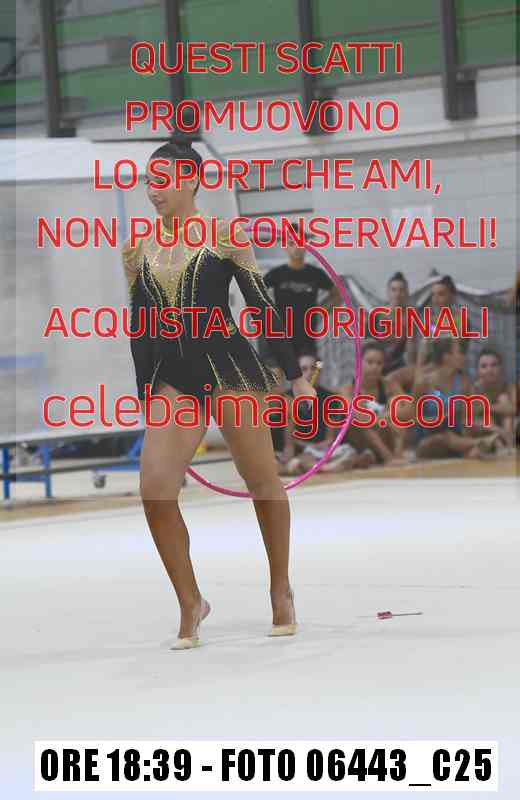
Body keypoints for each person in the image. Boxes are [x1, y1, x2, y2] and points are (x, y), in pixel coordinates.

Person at [121, 140, 316, 649]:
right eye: (149, 180)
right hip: (174, 378)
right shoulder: (137, 247)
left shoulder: (225, 235)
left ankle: (280, 588)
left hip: (229, 368)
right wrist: (146, 392)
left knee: (262, 480)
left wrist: (294, 377)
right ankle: (191, 601)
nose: (153, 190)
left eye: (163, 179)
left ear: (191, 179)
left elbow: (262, 307)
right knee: (155, 489)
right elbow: (139, 325)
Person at [275, 351, 374, 475]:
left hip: (323, 450)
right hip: (301, 450)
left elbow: (330, 438)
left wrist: (319, 446)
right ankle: (329, 467)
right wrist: (307, 446)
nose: (309, 373)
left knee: (348, 450)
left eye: (313, 369)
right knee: (291, 461)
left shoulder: (330, 398)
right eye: (304, 369)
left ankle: (322, 466)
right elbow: (289, 443)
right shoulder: (288, 398)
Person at [412, 338, 505, 460]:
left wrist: (491, 428)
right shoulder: (424, 383)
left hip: (456, 438)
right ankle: (481, 442)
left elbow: (467, 421)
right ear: (446, 357)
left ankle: (477, 445)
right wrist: (436, 420)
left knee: (472, 451)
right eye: (459, 352)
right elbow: (413, 418)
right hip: (428, 440)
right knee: (444, 438)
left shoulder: (464, 383)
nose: (463, 357)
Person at [263, 224, 334, 358]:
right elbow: (254, 292)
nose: (296, 247)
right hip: (281, 336)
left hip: (307, 337)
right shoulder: (276, 274)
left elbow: (336, 293)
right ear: (285, 246)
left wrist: (323, 311)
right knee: (281, 369)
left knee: (308, 369)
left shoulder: (316, 273)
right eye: (291, 243)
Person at [339, 342, 412, 467]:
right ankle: (388, 458)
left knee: (396, 404)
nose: (374, 367)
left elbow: (410, 409)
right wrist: (381, 418)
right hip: (357, 442)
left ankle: (397, 454)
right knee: (359, 411)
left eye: (379, 363)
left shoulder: (389, 384)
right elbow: (359, 417)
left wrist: (386, 416)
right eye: (370, 362)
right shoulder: (347, 389)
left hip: (383, 436)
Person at [471, 346, 514, 447]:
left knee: (503, 399)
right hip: (487, 427)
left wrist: (487, 407)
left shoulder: (507, 385)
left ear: (501, 368)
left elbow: (513, 409)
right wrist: (499, 431)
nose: (489, 370)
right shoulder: (474, 389)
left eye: (494, 365)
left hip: (506, 425)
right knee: (486, 415)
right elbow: (471, 420)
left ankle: (508, 444)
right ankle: (501, 443)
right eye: (484, 366)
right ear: (478, 370)